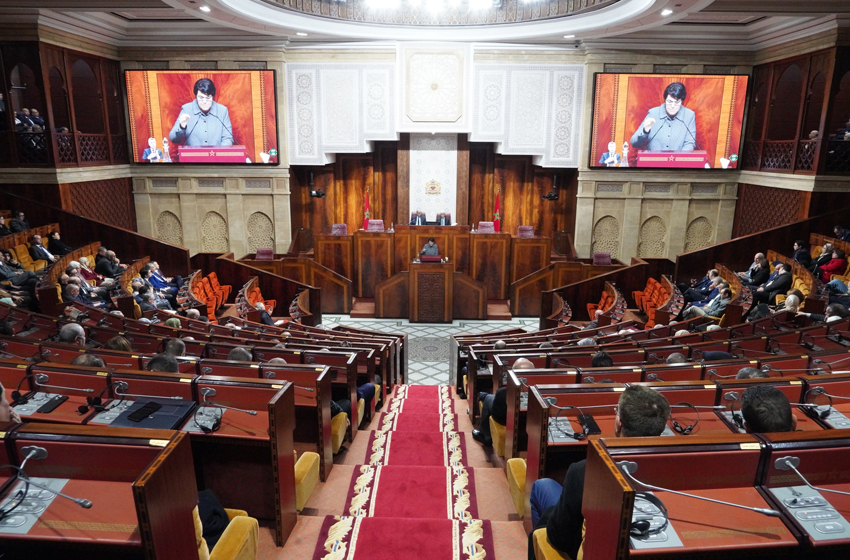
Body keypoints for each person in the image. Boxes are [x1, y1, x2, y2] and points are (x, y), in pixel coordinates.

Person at [529, 385, 671, 560]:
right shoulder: (679, 469)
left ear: (619, 424)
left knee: (542, 486)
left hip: (587, 547)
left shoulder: (583, 471)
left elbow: (559, 538)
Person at [472, 357, 534, 446]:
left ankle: (485, 436)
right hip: (529, 425)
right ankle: (483, 395)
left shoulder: (503, 393)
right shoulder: (543, 392)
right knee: (489, 397)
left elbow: (497, 414)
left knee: (488, 398)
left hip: (506, 420)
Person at [630, 82, 697, 153]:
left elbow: (689, 144)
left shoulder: (689, 115)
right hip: (653, 162)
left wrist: (677, 160)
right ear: (665, 100)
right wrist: (645, 131)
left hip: (678, 162)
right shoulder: (653, 113)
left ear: (682, 101)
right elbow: (634, 143)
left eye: (677, 102)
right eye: (670, 101)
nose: (673, 106)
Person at [169, 78, 233, 148]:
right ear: (196, 96)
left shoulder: (222, 111)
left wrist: (218, 155)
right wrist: (181, 127)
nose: (204, 101)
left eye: (208, 97)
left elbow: (228, 138)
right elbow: (173, 139)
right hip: (193, 157)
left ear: (213, 96)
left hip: (217, 156)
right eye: (201, 97)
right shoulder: (187, 109)